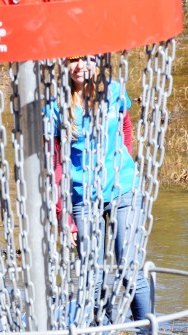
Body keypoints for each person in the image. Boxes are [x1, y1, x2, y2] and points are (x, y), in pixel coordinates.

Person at [46, 55, 150, 325]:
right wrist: (64, 215)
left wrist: (123, 160)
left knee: (129, 269)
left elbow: (125, 127)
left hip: (122, 191)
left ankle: (146, 330)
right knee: (92, 279)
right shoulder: (55, 105)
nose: (80, 65)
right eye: (73, 59)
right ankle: (100, 329)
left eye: (87, 58)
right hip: (81, 199)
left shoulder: (114, 90)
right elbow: (55, 163)